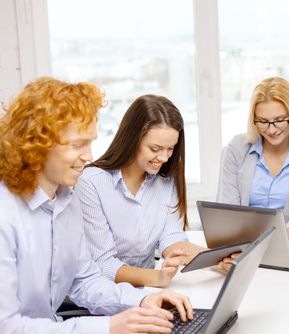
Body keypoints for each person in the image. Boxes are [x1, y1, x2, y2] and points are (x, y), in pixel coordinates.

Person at [0, 77, 193, 333]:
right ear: (36, 144)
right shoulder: (6, 215)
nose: (89, 156)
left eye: (90, 142)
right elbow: (6, 325)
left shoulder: (66, 202)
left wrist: (143, 300)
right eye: (78, 145)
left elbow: (84, 281)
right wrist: (109, 327)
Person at [76, 95, 204, 288]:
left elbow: (172, 238)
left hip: (149, 290)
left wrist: (219, 260)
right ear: (132, 139)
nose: (163, 157)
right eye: (155, 148)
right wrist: (157, 277)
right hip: (106, 296)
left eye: (170, 148)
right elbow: (103, 263)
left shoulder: (166, 179)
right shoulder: (91, 183)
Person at [217, 76, 289, 247]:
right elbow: (230, 207)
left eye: (279, 120)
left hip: (285, 243)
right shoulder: (237, 148)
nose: (271, 130)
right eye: (263, 121)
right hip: (242, 242)